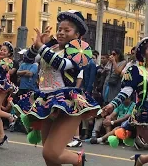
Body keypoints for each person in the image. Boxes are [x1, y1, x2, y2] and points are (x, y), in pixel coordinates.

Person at [14, 10, 100, 166]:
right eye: (59, 29)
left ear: (77, 34)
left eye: (67, 30)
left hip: (67, 103)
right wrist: (39, 44)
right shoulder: (51, 48)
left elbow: (59, 64)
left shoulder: (78, 51)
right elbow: (28, 59)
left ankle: (78, 160)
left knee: (51, 152)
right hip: (46, 100)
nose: (61, 33)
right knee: (49, 156)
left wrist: (42, 47)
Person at [104, 37, 148, 166]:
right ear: (143, 55)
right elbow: (126, 91)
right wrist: (112, 104)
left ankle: (141, 159)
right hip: (146, 114)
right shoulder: (137, 71)